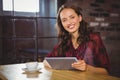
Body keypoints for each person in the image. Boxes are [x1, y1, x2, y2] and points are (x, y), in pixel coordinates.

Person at [44, 2, 110, 74]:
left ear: (80, 18)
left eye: (72, 17)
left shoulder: (94, 38)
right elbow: (46, 61)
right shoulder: (65, 42)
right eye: (64, 20)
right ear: (62, 24)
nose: (69, 22)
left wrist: (87, 68)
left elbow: (106, 71)